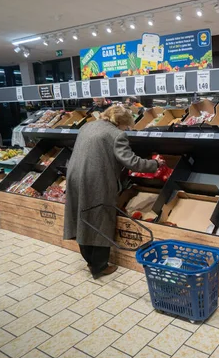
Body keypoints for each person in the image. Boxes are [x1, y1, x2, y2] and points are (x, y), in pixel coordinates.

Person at [63, 105, 164, 279]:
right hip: (95, 180)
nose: (127, 129)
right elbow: (131, 162)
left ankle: (89, 260)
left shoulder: (87, 126)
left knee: (83, 217)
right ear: (120, 122)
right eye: (127, 125)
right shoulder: (116, 134)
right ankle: (99, 267)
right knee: (100, 219)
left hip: (74, 176)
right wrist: (155, 165)